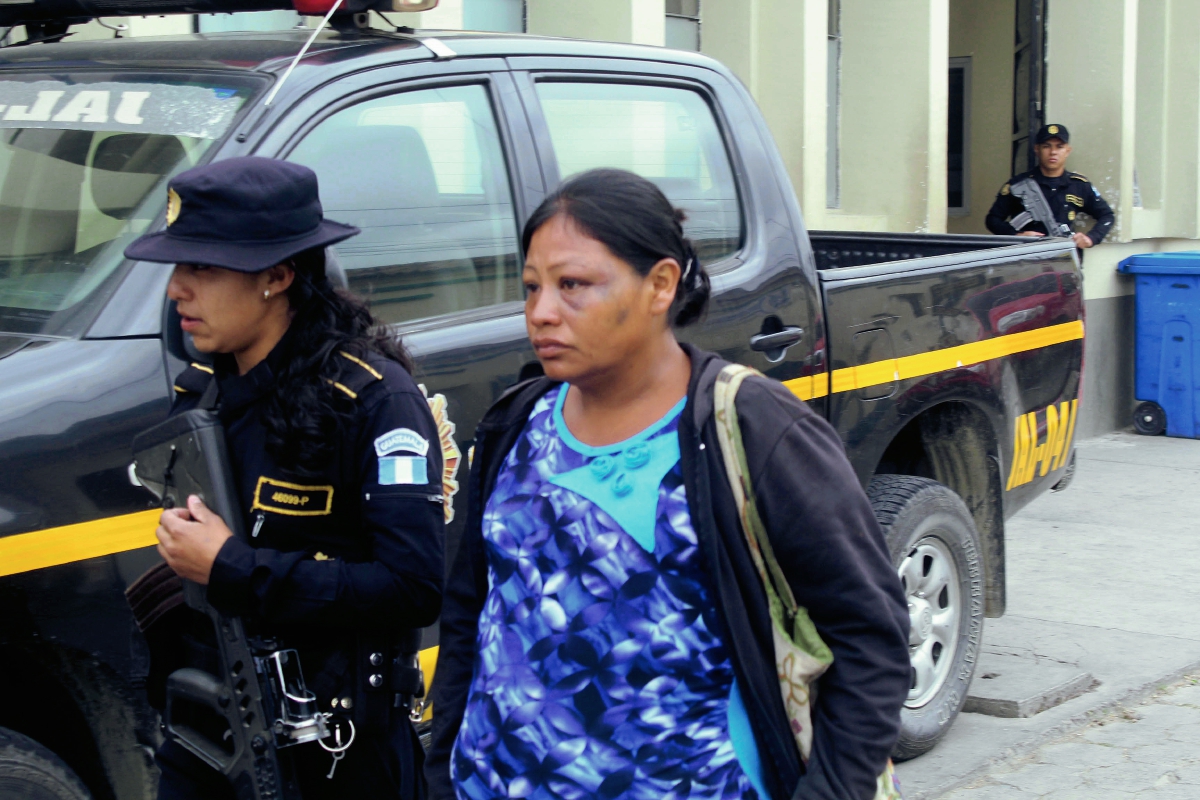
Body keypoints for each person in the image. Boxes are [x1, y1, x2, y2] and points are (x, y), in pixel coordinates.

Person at [425, 169, 910, 800]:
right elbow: (471, 610)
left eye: (574, 285)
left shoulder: (752, 431)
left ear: (660, 285)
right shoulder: (517, 423)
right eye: (532, 287)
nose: (541, 312)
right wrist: (443, 766)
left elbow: (870, 641)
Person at [124, 157, 444, 799]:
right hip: (212, 735)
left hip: (333, 756)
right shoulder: (205, 393)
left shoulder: (377, 403)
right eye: (176, 267)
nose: (176, 290)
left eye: (202, 267)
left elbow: (412, 586)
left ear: (277, 275)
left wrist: (234, 567)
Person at [986, 123, 1114, 249]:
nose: (1053, 152)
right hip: (1026, 259)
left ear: (1067, 151)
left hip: (1064, 260)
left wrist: (1091, 238)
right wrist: (1017, 236)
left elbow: (1107, 215)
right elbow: (993, 219)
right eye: (1047, 146)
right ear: (1037, 149)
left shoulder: (1079, 185)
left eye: (1059, 147)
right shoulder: (1019, 184)